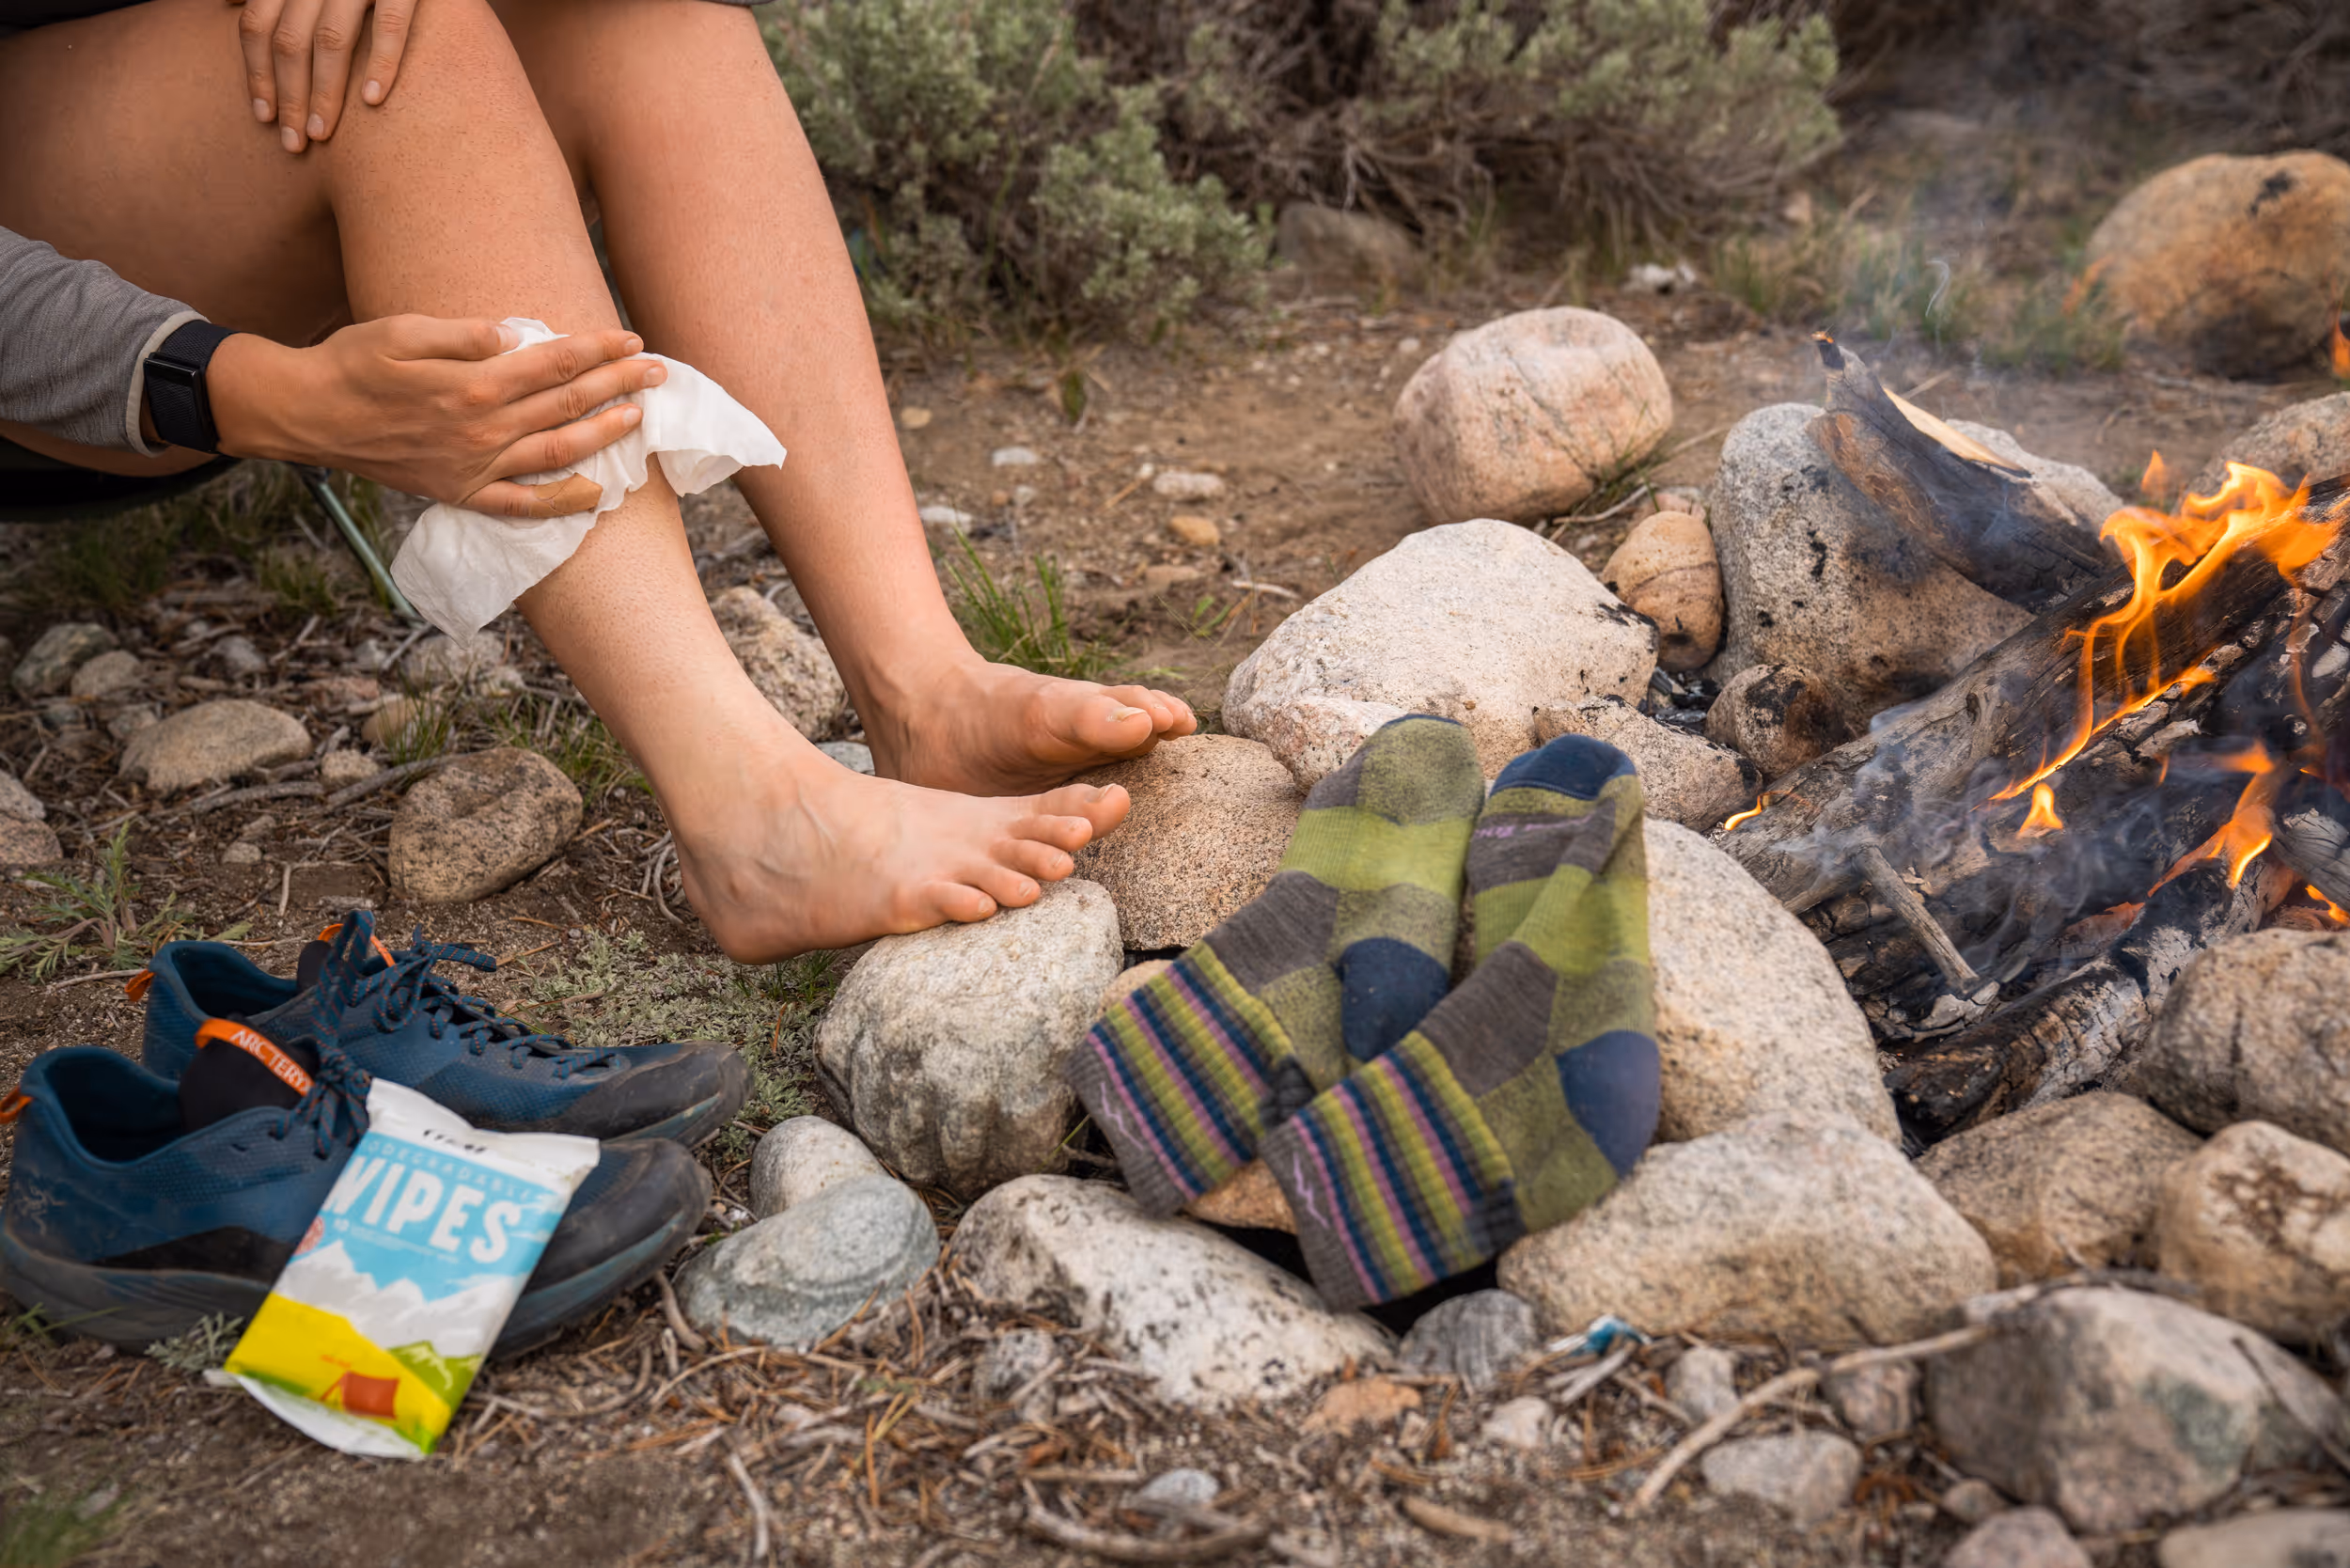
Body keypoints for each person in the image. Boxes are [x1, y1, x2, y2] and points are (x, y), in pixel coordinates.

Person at [0, 0, 1198, 961]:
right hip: (74, 337)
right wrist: (248, 391)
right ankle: (749, 814)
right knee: (396, 50)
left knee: (651, 21)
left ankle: (921, 691)